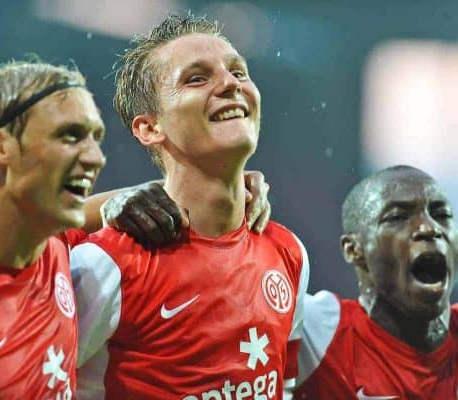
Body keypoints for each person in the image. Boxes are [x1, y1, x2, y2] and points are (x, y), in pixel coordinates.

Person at [0, 59, 271, 399]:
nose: (95, 158)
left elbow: (84, 212)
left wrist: (227, 189)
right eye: (69, 137)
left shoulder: (49, 250)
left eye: (95, 138)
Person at [71, 14, 309, 400]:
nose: (230, 84)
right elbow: (33, 382)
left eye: (238, 72)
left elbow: (282, 387)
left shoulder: (288, 253)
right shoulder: (106, 265)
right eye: (196, 78)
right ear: (149, 128)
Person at [290, 165, 458, 399]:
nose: (429, 228)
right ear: (353, 249)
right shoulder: (317, 336)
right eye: (397, 217)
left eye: (442, 215)